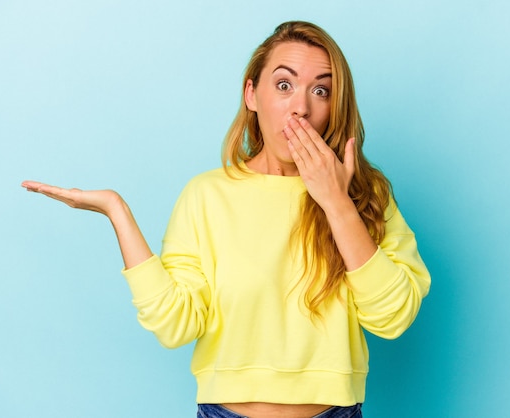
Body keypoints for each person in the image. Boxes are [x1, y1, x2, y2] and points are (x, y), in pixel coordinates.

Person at [22, 21, 430, 418]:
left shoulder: (365, 193)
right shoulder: (206, 195)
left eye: (320, 90)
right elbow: (176, 324)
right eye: (284, 85)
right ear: (252, 94)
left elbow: (393, 317)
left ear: (333, 107)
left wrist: (336, 203)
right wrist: (117, 211)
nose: (301, 107)